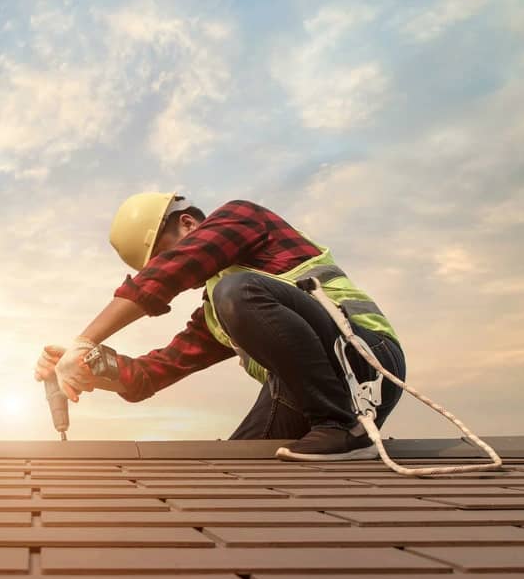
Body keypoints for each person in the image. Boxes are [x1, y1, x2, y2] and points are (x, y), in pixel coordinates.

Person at [33, 192, 407, 461]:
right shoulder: (221, 312)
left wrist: (85, 339)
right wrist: (89, 365)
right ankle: (334, 432)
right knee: (235, 467)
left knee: (236, 290)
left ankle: (343, 428)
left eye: (168, 253)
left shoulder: (243, 219)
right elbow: (151, 374)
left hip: (365, 358)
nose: (174, 265)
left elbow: (173, 273)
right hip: (304, 394)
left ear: (188, 222)